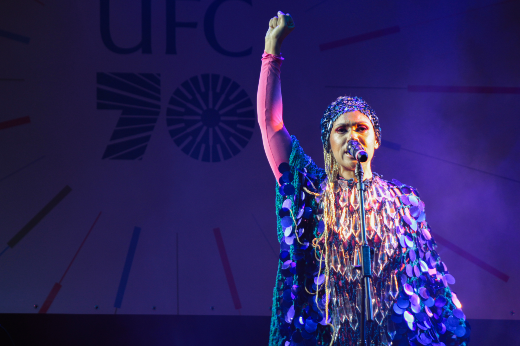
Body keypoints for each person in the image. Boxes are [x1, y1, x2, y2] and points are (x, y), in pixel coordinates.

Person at [257, 11, 470, 346]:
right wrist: (273, 49)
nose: (351, 136)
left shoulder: (402, 200)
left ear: (375, 139)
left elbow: (431, 283)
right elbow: (273, 126)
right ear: (329, 143)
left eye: (361, 128)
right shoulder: (312, 189)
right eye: (341, 130)